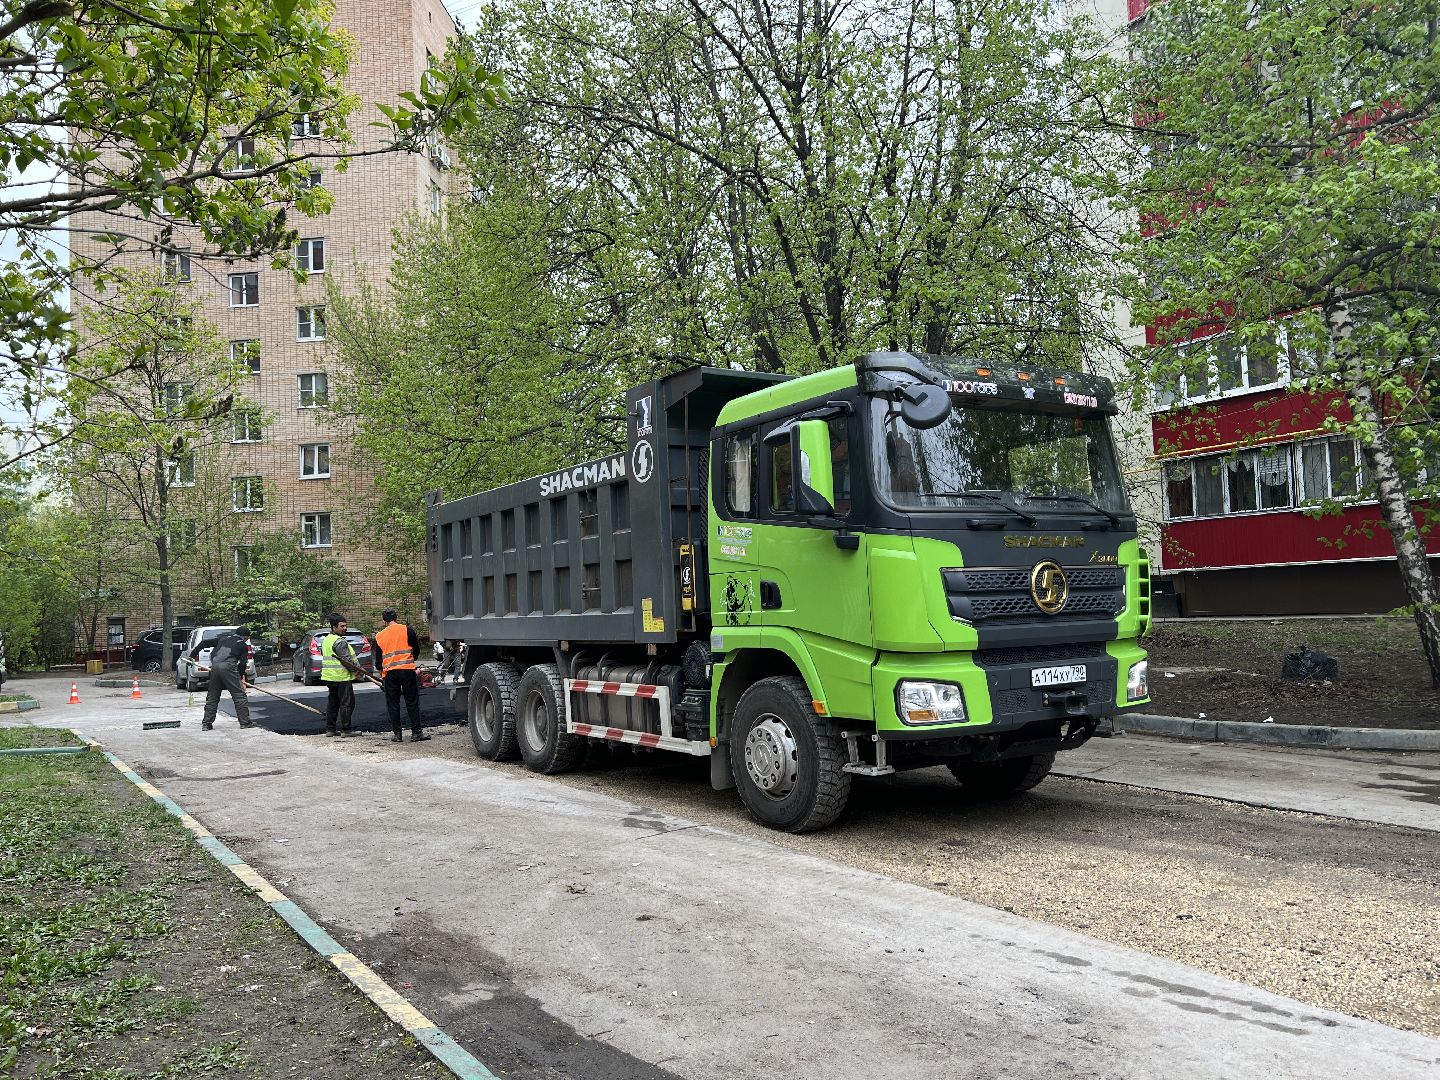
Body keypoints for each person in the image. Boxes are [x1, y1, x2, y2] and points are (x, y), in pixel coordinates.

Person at [376, 609, 428, 743]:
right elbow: (416, 649)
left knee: (393, 704)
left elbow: (378, 662)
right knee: (412, 702)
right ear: (396, 617)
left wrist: (383, 673)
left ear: (384, 620)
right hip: (407, 670)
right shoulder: (407, 630)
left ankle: (397, 734)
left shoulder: (379, 636)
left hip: (390, 674)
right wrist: (411, 660)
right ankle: (416, 733)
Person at [202, 626, 254, 731]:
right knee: (239, 695)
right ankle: (245, 722)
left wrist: (193, 654)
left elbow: (205, 645)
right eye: (247, 638)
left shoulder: (224, 639)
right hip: (229, 667)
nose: (247, 640)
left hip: (215, 667)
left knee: (212, 696)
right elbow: (243, 663)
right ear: (245, 636)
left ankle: (206, 724)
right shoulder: (242, 644)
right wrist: (239, 676)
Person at [320, 612, 362, 737]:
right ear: (334, 627)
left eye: (345, 625)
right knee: (347, 703)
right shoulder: (339, 642)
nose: (345, 628)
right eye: (342, 626)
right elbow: (347, 661)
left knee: (333, 703)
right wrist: (357, 671)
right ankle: (346, 730)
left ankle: (330, 729)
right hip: (341, 677)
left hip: (330, 677)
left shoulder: (327, 640)